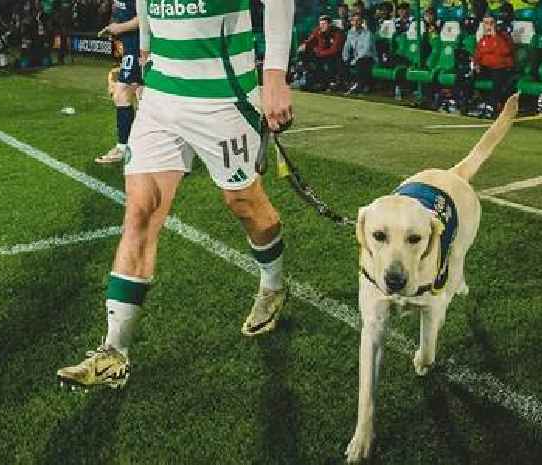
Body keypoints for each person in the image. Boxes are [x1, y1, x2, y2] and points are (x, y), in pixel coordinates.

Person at [56, 0, 295, 390]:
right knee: (140, 212)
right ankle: (114, 352)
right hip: (163, 95)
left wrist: (273, 75)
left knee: (244, 204)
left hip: (224, 95)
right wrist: (147, 49)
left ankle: (272, 283)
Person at [93, 0, 142, 164]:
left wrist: (119, 28)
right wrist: (112, 26)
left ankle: (123, 148)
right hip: (131, 45)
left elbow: (146, 18)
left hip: (139, 46)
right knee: (144, 97)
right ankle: (144, 147)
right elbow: (118, 11)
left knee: (121, 94)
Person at [473, 13, 515, 117]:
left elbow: (506, 51)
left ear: (495, 24)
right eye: (486, 23)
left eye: (491, 23)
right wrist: (476, 64)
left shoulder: (503, 37)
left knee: (498, 75)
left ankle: (492, 106)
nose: (489, 26)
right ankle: (464, 102)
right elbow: (477, 55)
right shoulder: (483, 39)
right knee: (465, 73)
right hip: (486, 68)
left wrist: (495, 36)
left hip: (501, 68)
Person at [297, 15, 345, 91]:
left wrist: (320, 53)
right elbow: (310, 41)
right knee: (303, 54)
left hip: (334, 56)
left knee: (329, 62)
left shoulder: (338, 33)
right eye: (320, 24)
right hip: (320, 55)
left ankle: (328, 83)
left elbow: (334, 50)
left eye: (324, 24)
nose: (321, 26)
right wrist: (304, 45)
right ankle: (305, 77)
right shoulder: (317, 30)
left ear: (330, 24)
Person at [342, 12, 377, 94]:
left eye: (358, 20)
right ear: (352, 22)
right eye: (354, 20)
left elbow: (366, 50)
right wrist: (345, 58)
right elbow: (346, 47)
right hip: (356, 57)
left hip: (368, 57)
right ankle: (346, 84)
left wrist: (355, 60)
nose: (356, 22)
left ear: (362, 22)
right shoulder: (350, 32)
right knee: (342, 62)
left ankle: (359, 86)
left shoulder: (368, 33)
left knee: (361, 62)